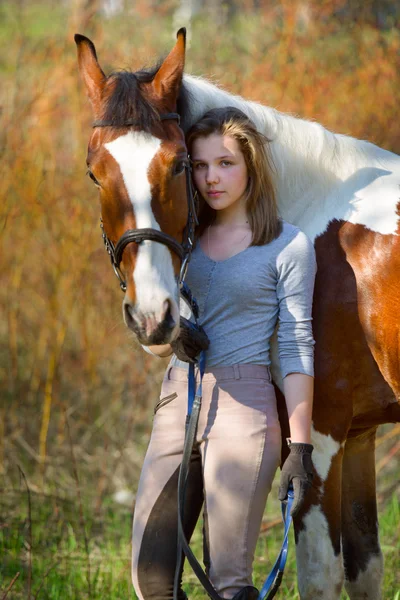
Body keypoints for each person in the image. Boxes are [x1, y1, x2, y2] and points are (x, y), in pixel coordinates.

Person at [131, 106, 316, 600]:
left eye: (226, 163)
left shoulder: (287, 245)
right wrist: (173, 337)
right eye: (200, 165)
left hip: (244, 410)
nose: (211, 177)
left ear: (251, 165)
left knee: (227, 584)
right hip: (177, 403)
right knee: (150, 576)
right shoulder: (179, 242)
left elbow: (297, 345)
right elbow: (152, 322)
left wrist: (300, 448)